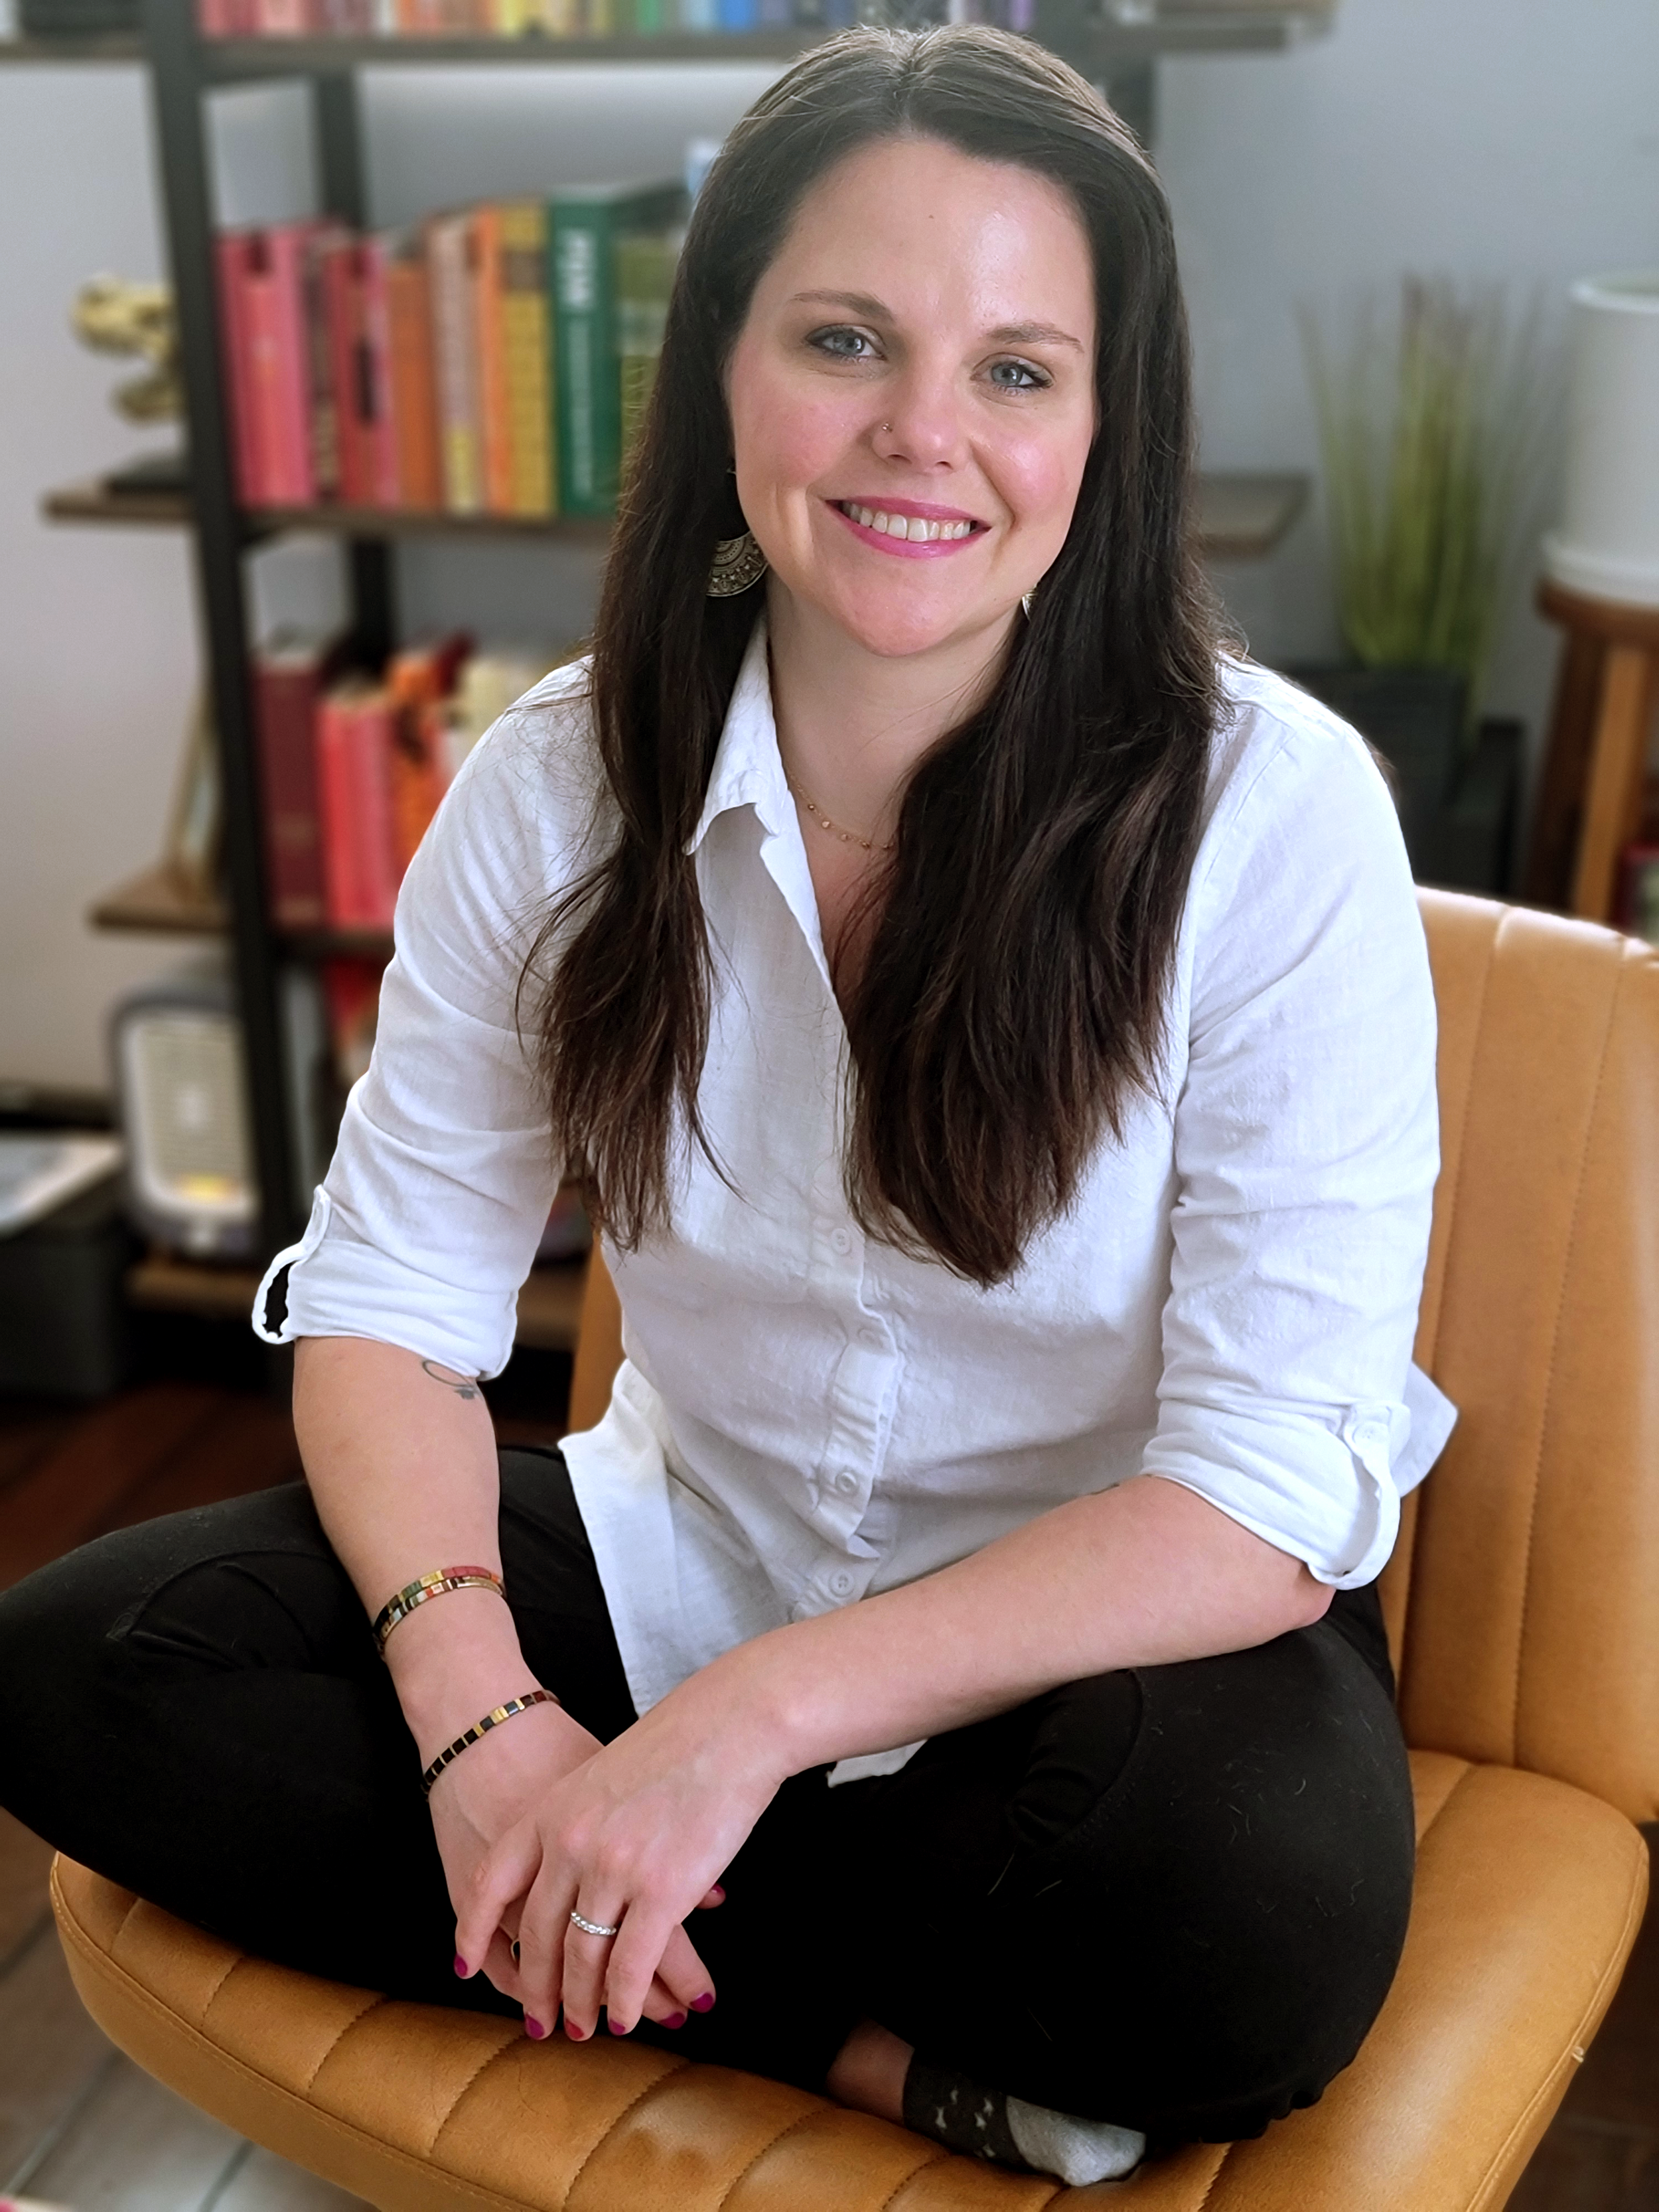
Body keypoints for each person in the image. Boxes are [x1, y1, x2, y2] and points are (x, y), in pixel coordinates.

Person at [0, 25, 1452, 2188]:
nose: (921, 436)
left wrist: (735, 1734)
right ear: (718, 367)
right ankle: (828, 2026)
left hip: (1097, 1625)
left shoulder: (1272, 812)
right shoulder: (559, 787)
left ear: (1103, 424)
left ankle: (635, 1903)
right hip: (694, 1544)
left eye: (1018, 370)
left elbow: (1252, 1487)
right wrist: (490, 1729)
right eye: (844, 337)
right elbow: (392, 1310)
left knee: (1240, 1922)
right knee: (80, 1669)